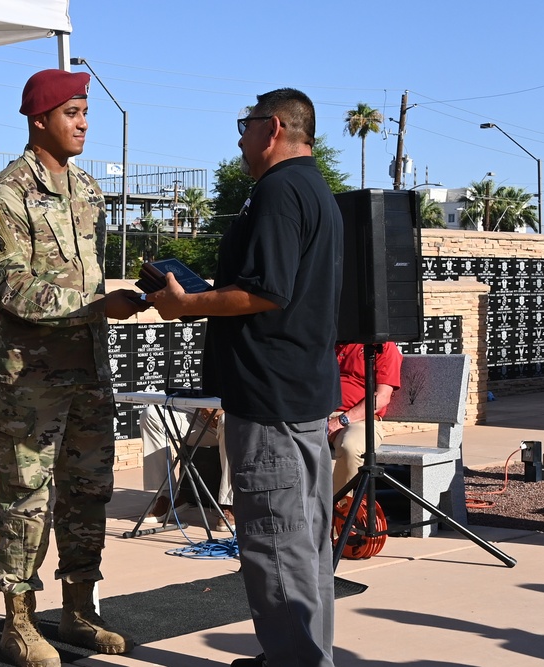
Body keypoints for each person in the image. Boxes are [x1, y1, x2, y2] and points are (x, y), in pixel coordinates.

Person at [149, 88, 342, 667]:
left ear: (274, 127)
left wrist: (190, 303)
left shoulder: (280, 192)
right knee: (304, 546)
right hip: (299, 393)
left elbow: (265, 292)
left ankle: (295, 661)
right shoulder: (314, 189)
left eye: (246, 124)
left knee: (276, 545)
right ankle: (300, 653)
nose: (239, 136)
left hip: (270, 398)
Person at [0, 69, 147, 667]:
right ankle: (17, 621)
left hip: (89, 373)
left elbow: (88, 276)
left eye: (85, 112)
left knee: (89, 492)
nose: (84, 123)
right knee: (27, 498)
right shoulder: (4, 196)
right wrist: (96, 305)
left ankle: (78, 608)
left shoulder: (88, 190)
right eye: (72, 112)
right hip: (32, 382)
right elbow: (15, 289)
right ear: (39, 118)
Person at [139, 406, 234, 529]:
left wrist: (225, 408)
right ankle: (168, 497)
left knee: (227, 420)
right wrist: (203, 407)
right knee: (150, 415)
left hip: (239, 418)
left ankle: (230, 504)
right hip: (204, 418)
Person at [328, 342, 403, 497]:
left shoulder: (382, 346)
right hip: (318, 417)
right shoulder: (330, 340)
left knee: (350, 446)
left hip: (360, 420)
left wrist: (341, 420)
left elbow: (381, 399)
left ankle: (340, 513)